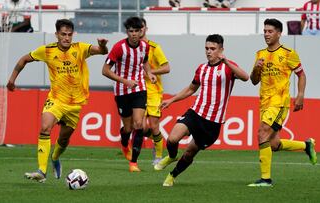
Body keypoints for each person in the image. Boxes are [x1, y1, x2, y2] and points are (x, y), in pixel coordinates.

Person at [7, 19, 108, 183]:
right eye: (63, 34)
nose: (67, 38)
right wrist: (12, 80)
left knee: (63, 140)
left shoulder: (80, 48)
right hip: (56, 100)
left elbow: (102, 51)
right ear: (57, 35)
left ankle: (55, 157)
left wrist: (103, 45)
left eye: (69, 34)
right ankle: (42, 170)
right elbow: (23, 59)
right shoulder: (47, 51)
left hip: (75, 104)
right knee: (45, 127)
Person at [154, 34, 249, 187]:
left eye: (213, 48)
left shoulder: (228, 67)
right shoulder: (202, 68)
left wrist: (225, 60)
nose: (209, 52)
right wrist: (171, 100)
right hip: (196, 113)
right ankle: (172, 156)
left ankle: (172, 175)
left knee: (190, 153)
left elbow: (245, 77)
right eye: (206, 48)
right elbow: (191, 89)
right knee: (172, 139)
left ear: (221, 49)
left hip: (213, 122)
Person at [248, 18, 317, 187]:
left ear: (279, 33)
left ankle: (266, 179)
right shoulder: (260, 54)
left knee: (261, 134)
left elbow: (301, 74)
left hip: (279, 102)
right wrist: (256, 68)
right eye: (264, 31)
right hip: (264, 102)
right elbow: (253, 81)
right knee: (273, 144)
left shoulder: (288, 53)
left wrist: (300, 94)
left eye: (270, 31)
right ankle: (306, 145)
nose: (266, 34)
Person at [102, 16, 157, 172]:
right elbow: (105, 71)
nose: (133, 34)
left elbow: (144, 61)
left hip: (139, 89)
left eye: (136, 31)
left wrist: (150, 73)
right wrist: (124, 81)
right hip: (122, 91)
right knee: (128, 128)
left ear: (141, 31)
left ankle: (134, 163)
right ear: (127, 32)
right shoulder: (119, 48)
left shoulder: (145, 46)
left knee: (139, 124)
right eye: (130, 31)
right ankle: (125, 143)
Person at [140, 18, 171, 165]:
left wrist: (150, 71)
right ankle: (156, 139)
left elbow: (167, 68)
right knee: (140, 126)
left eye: (141, 28)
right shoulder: (131, 48)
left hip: (154, 91)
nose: (138, 31)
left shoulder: (154, 48)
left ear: (146, 29)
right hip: (138, 90)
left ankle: (158, 156)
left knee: (153, 125)